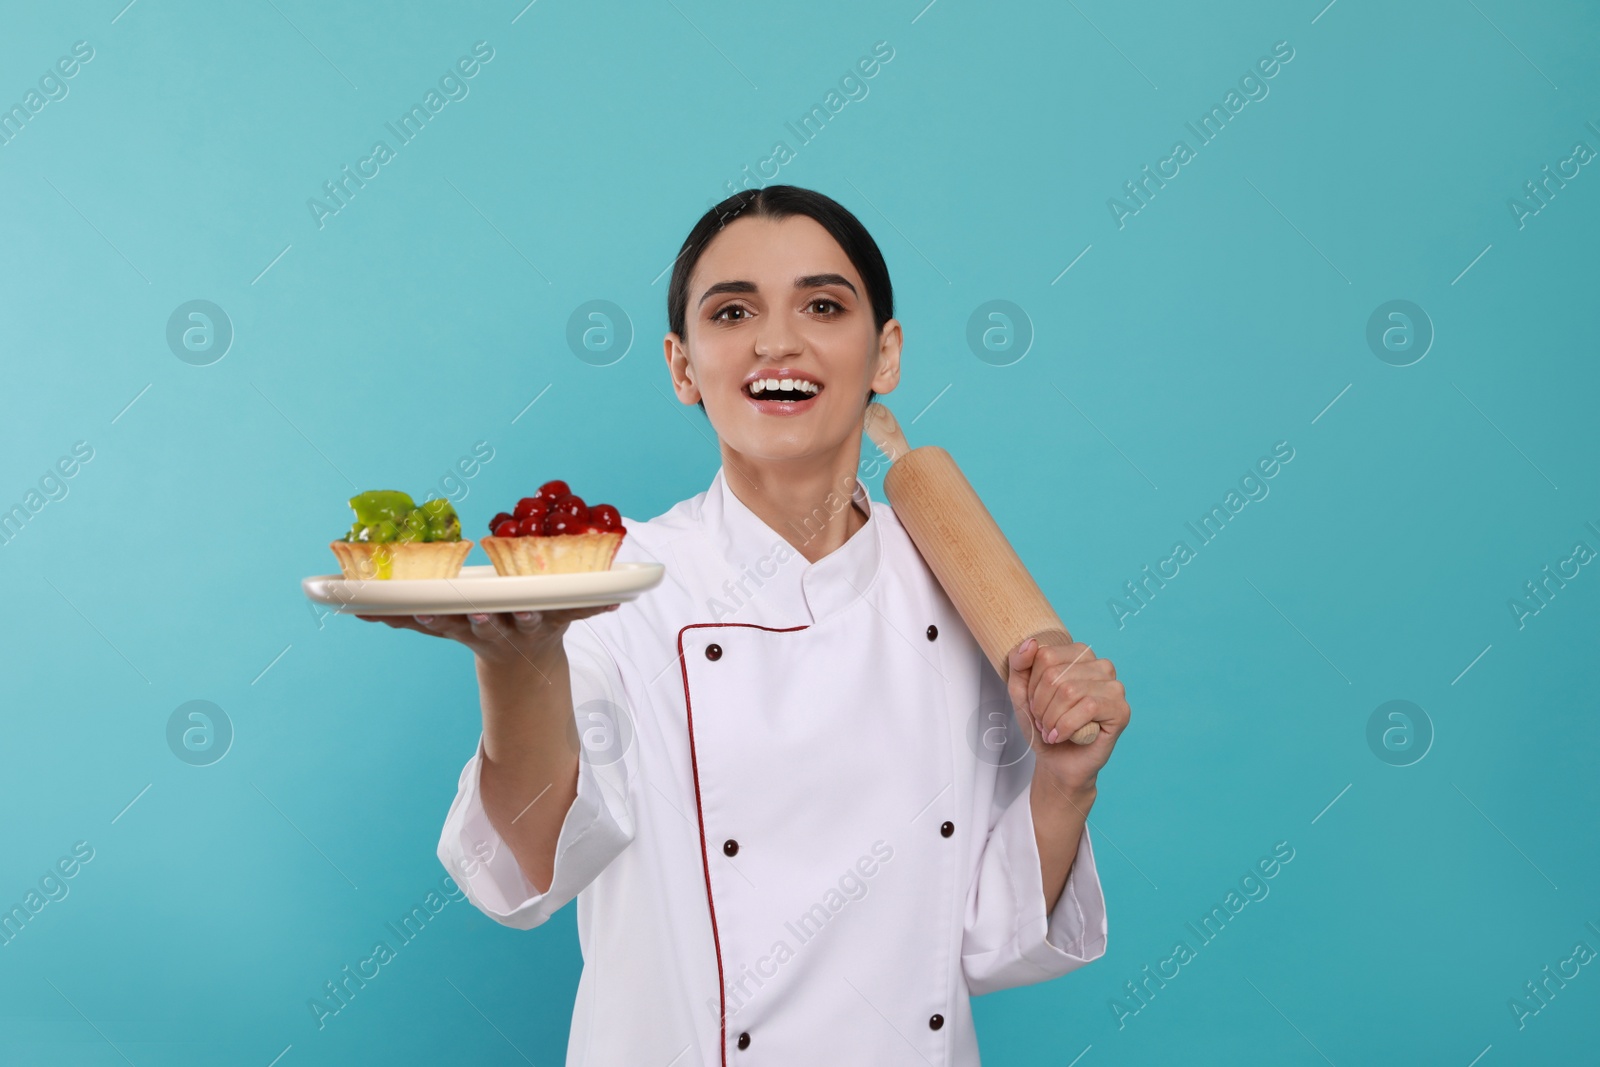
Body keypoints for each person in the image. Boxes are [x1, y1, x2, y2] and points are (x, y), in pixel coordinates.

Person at [364, 185, 1131, 1064]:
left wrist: (1064, 782)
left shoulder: (962, 592)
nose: (777, 341)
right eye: (732, 311)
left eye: (823, 305)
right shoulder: (613, 581)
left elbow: (988, 937)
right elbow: (531, 871)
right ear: (682, 365)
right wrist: (517, 660)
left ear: (886, 354)